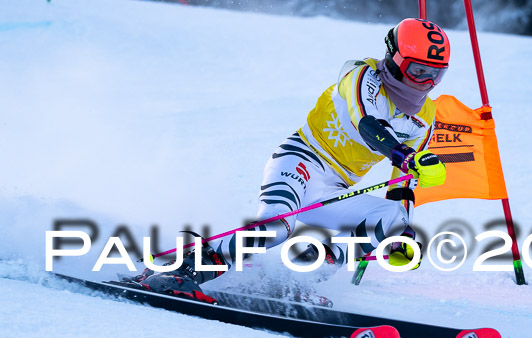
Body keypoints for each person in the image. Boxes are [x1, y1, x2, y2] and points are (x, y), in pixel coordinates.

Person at [132, 18, 451, 301]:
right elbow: (368, 125)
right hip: (299, 162)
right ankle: (188, 267)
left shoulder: (425, 115)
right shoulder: (362, 76)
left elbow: (401, 182)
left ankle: (299, 276)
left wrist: (402, 232)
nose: (425, 83)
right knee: (278, 227)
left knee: (392, 216)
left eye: (435, 75)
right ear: (393, 58)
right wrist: (406, 154)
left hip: (332, 189)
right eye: (417, 70)